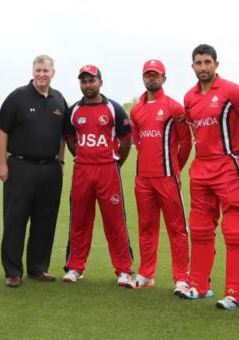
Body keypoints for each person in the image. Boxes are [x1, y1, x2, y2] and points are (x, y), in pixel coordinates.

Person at [183, 44, 239, 310]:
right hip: (201, 168)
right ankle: (199, 286)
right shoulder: (189, 97)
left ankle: (236, 294)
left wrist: (238, 155)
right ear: (192, 66)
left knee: (236, 231)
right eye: (198, 63)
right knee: (201, 230)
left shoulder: (232, 91)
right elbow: (196, 133)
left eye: (207, 62)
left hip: (227, 167)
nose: (203, 67)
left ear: (216, 64)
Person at [0, 55, 67, 288]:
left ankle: (38, 267)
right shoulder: (18, 97)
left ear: (53, 73)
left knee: (45, 220)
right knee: (16, 219)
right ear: (33, 71)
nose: (42, 75)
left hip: (50, 169)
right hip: (20, 167)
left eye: (46, 71)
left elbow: (62, 135)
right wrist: (2, 163)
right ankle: (13, 271)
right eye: (38, 70)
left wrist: (61, 162)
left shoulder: (59, 100)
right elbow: (2, 130)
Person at [61, 65, 134, 287]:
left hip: (108, 170)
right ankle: (75, 267)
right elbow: (70, 139)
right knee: (79, 219)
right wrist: (83, 156)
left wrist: (116, 162)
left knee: (115, 221)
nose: (88, 85)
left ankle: (124, 269)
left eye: (91, 80)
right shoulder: (73, 110)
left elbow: (126, 141)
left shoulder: (114, 109)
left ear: (100, 81)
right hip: (82, 170)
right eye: (83, 81)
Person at [129, 60, 192, 295]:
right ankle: (146, 274)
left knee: (177, 228)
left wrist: (176, 168)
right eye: (148, 75)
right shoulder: (136, 110)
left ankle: (182, 278)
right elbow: (138, 141)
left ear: (164, 78)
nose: (151, 79)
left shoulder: (175, 108)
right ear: (143, 78)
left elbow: (186, 142)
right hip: (142, 179)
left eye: (156, 75)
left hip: (167, 178)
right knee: (146, 226)